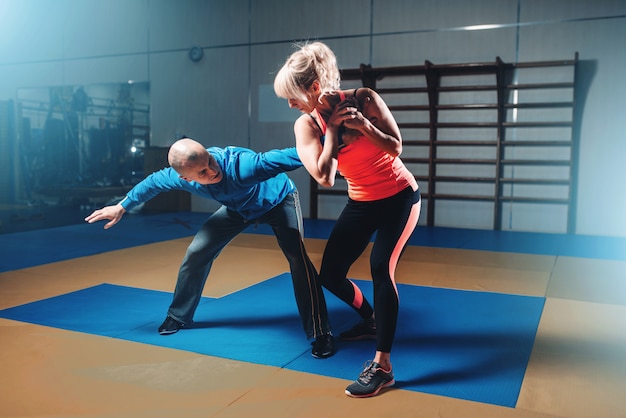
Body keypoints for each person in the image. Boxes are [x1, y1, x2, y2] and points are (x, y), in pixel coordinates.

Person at [85, 137, 335, 359]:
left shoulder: (242, 166)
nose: (212, 171)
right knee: (197, 252)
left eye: (211, 162)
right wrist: (122, 206)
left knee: (298, 259)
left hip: (278, 202)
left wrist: (335, 138)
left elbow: (293, 154)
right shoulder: (179, 177)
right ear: (186, 178)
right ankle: (179, 315)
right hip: (238, 209)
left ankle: (321, 332)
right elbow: (152, 183)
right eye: (202, 173)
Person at [274, 42, 421, 397]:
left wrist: (362, 125)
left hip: (400, 197)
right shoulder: (306, 125)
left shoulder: (365, 98)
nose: (290, 105)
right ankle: (371, 319)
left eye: (292, 96)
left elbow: (396, 146)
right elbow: (324, 177)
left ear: (312, 88)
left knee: (380, 267)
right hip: (361, 201)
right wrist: (335, 133)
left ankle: (383, 366)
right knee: (330, 274)